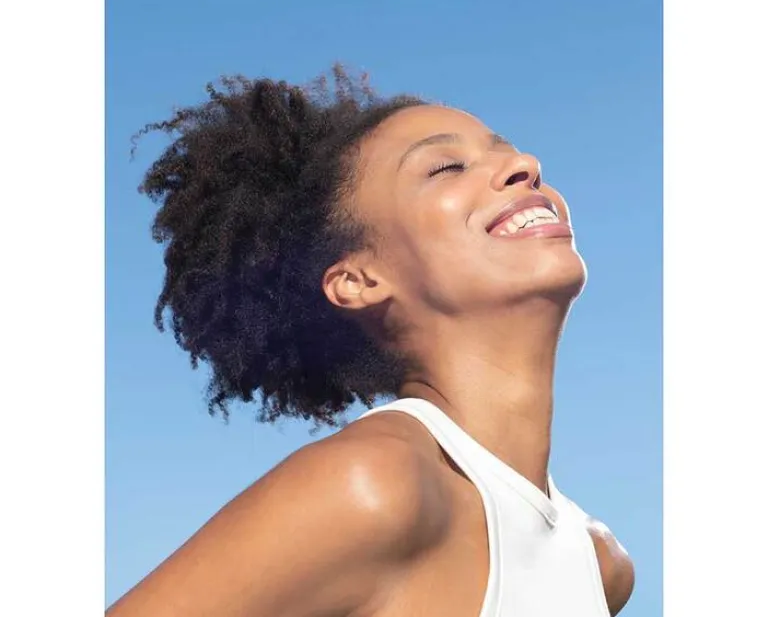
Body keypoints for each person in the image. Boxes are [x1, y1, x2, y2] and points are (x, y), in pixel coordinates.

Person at [109, 67, 635, 617]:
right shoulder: (375, 484)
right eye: (447, 167)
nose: (525, 165)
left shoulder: (602, 565)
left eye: (508, 152)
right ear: (358, 281)